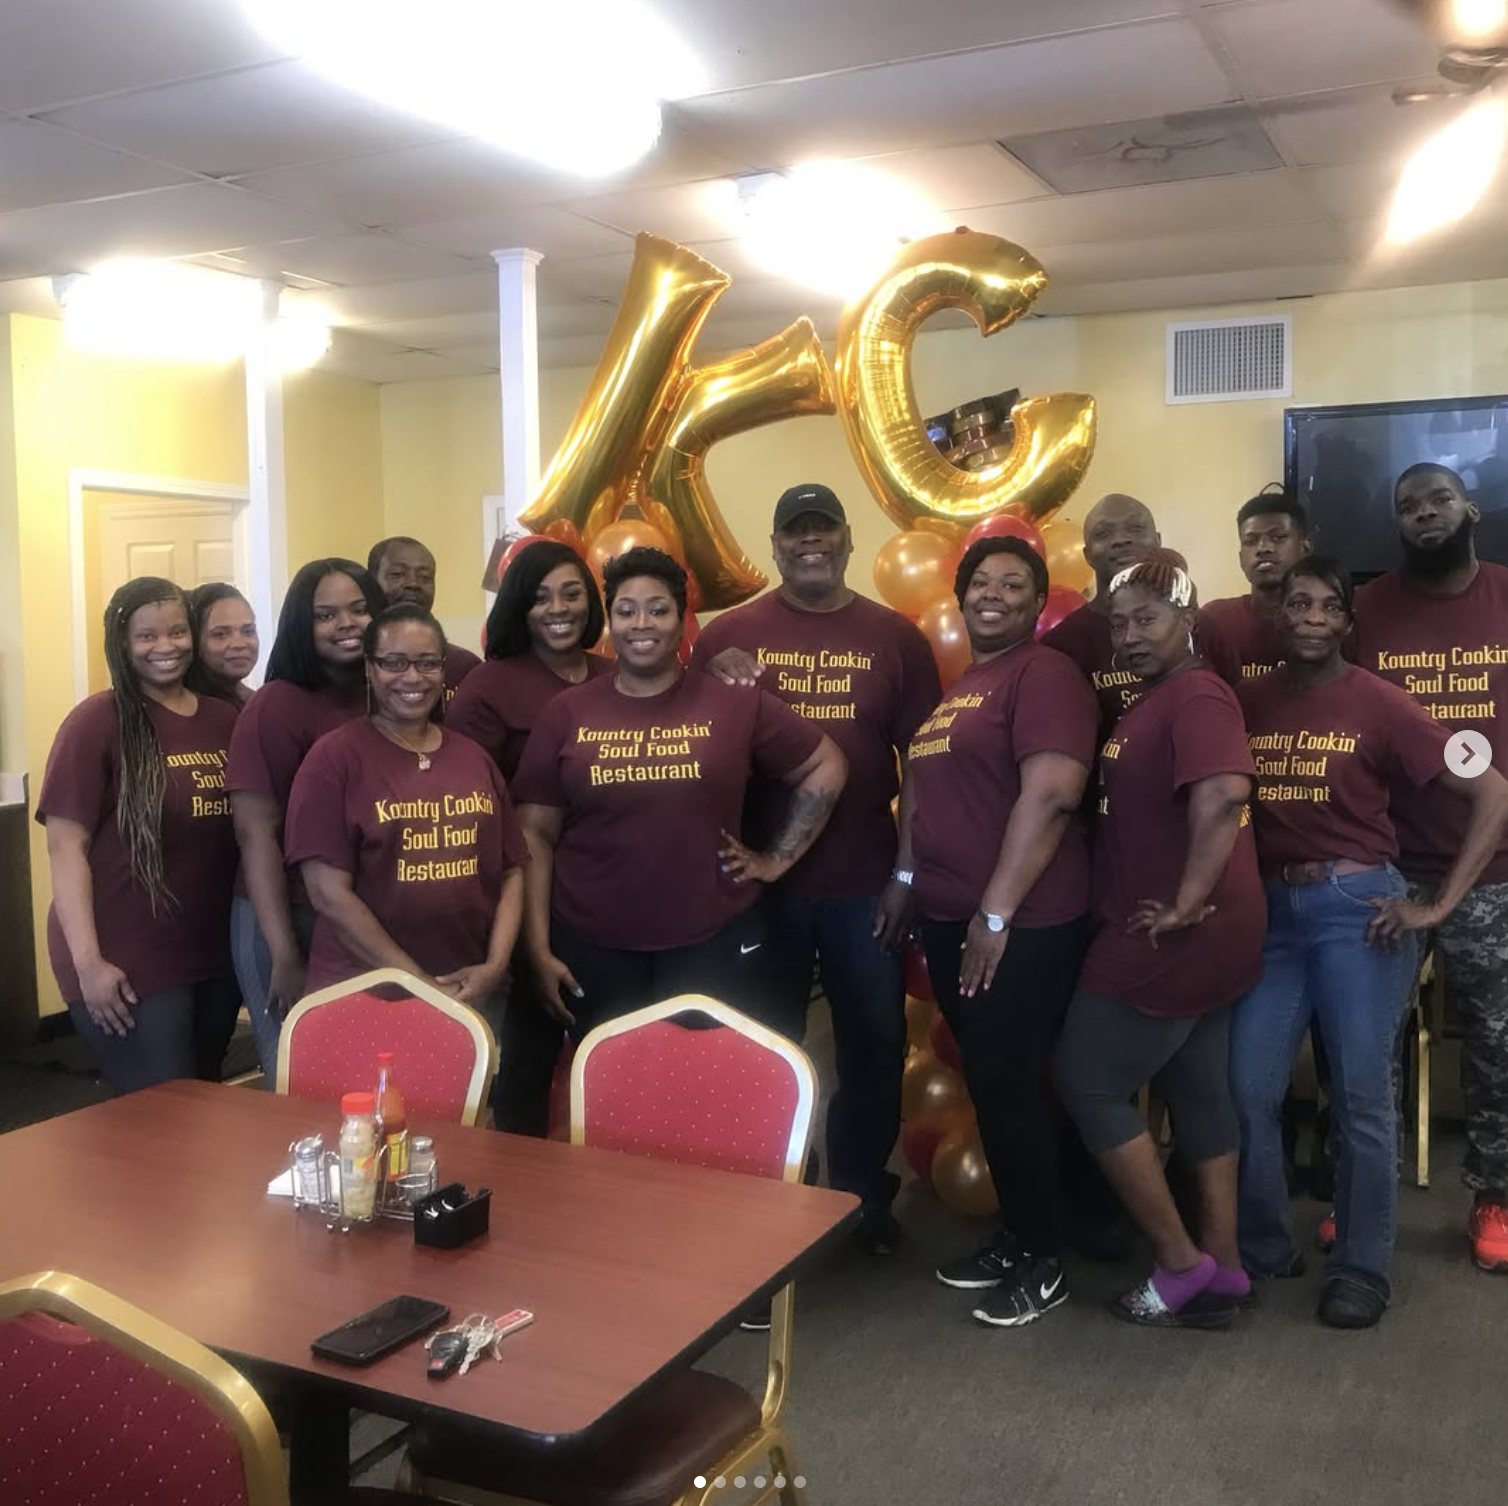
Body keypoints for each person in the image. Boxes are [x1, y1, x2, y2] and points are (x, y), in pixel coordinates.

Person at [1232, 556, 1508, 1327]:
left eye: (1328, 605)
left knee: (1360, 1093)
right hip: (1274, 917)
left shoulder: (1386, 704)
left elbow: (1493, 790)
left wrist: (1439, 905)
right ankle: (1261, 1245)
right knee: (1247, 1088)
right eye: (1299, 603)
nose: (1313, 616)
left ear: (1348, 623)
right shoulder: (1246, 703)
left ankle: (1361, 1267)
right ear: (1278, 615)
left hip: (1358, 911)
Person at [690, 483, 941, 1254]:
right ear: (773, 547)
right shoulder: (728, 636)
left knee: (870, 1043)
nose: (810, 543)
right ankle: (773, 1206)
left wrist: (906, 876)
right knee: (767, 1046)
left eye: (823, 529)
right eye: (794, 531)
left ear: (846, 540)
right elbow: (692, 751)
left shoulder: (895, 639)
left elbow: (924, 764)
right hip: (756, 888)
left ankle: (861, 1202)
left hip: (864, 882)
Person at [510, 546, 847, 1040]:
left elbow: (827, 764)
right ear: (610, 621)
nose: (641, 622)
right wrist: (538, 948)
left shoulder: (734, 704)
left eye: (658, 609)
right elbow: (534, 833)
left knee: (702, 1088)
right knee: (611, 1090)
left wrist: (777, 858)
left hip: (710, 940)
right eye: (625, 611)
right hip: (593, 942)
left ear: (682, 618)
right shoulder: (567, 712)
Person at [1053, 549, 1265, 1328]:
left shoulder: (1198, 693)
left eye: (1148, 618)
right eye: (1119, 622)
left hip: (1173, 930)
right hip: (1204, 931)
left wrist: (1184, 901)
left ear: (1188, 619)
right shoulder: (1155, 697)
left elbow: (1224, 794)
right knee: (1199, 1089)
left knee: (1087, 1079)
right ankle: (1227, 1267)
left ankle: (1179, 1263)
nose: (1130, 636)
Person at [906, 536, 1098, 1327]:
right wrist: (906, 880)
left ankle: (1046, 1257)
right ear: (959, 595)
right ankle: (1022, 1233)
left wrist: (995, 912)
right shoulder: (964, 688)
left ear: (1037, 600)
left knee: (1013, 1086)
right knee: (991, 1083)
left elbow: (1051, 794)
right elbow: (925, 798)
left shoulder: (1042, 673)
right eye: (980, 581)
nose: (993, 593)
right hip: (955, 919)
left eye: (1013, 583)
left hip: (1023, 921)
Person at [1352, 463, 1508, 1272]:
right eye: (1407, 505)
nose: (1423, 514)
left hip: (1497, 870)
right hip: (1388, 865)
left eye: (1438, 500)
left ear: (1469, 508)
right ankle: (1363, 1194)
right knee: (1365, 1038)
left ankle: (1496, 1198)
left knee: (1498, 1043)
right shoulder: (1365, 611)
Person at [37, 576, 241, 1093]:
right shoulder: (96, 722)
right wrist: (89, 966)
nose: (166, 647)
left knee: (207, 1109)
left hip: (212, 953)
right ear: (122, 644)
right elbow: (65, 846)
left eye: (177, 631)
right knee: (160, 1115)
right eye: (147, 636)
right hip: (127, 960)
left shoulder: (225, 717)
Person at [285, 605, 528, 1009]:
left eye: (427, 663)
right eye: (394, 662)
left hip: (472, 989)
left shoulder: (473, 757)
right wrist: (416, 982)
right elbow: (328, 894)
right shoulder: (332, 760)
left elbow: (512, 871)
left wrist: (496, 964)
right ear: (369, 668)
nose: (412, 677)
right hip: (364, 994)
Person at [447, 539, 611, 1134]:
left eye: (571, 594)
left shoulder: (618, 674)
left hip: (608, 893)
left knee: (614, 1049)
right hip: (525, 892)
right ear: (520, 606)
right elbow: (468, 800)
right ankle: (518, 1192)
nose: (558, 608)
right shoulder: (489, 687)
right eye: (541, 597)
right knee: (529, 1055)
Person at [225, 558, 386, 1079]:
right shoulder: (276, 706)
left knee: (360, 1069)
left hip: (353, 912)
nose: (347, 624)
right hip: (284, 912)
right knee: (297, 1071)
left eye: (360, 609)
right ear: (301, 623)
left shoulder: (387, 694)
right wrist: (284, 954)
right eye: (326, 615)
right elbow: (256, 835)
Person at [1041, 492, 1163, 732]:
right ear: (1087, 555)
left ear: (1158, 541)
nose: (1121, 539)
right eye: (1103, 533)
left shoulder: (1194, 628)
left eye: (1135, 528)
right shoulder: (1063, 645)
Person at [1199, 488, 1313, 686]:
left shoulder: (1328, 621)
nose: (1263, 548)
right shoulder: (1215, 620)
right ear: (1241, 558)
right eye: (1250, 541)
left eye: (1278, 537)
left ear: (1305, 548)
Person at [368, 535, 480, 699]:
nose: (413, 584)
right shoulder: (348, 663)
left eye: (425, 577)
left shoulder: (464, 667)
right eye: (398, 574)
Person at [186, 583, 259, 705]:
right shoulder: (189, 709)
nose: (239, 644)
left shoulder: (257, 701)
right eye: (220, 634)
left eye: (248, 631)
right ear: (195, 640)